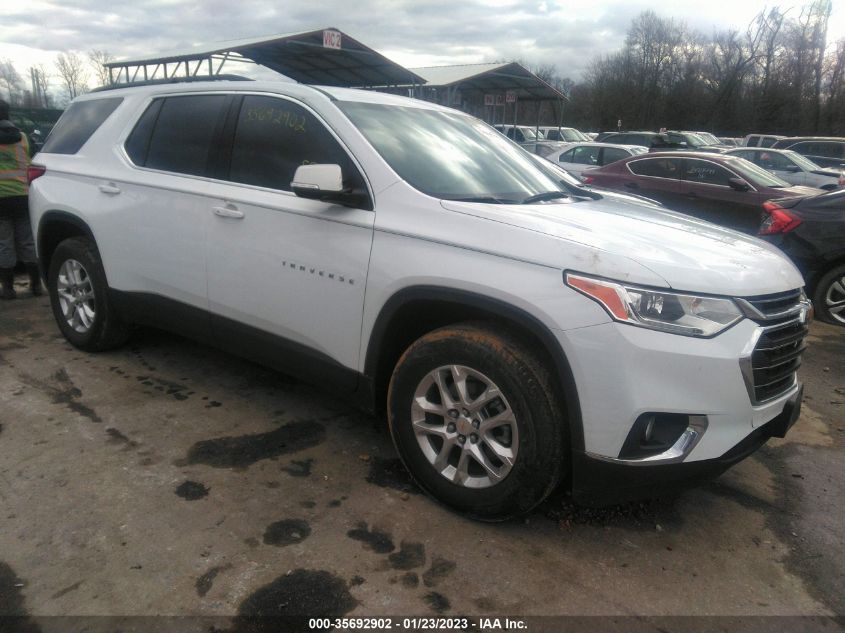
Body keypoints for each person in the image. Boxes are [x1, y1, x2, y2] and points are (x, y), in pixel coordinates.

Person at [0, 99, 40, 299]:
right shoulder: (23, 138)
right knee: (27, 241)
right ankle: (36, 286)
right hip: (24, 196)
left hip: (1, 200)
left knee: (4, 243)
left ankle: (8, 289)